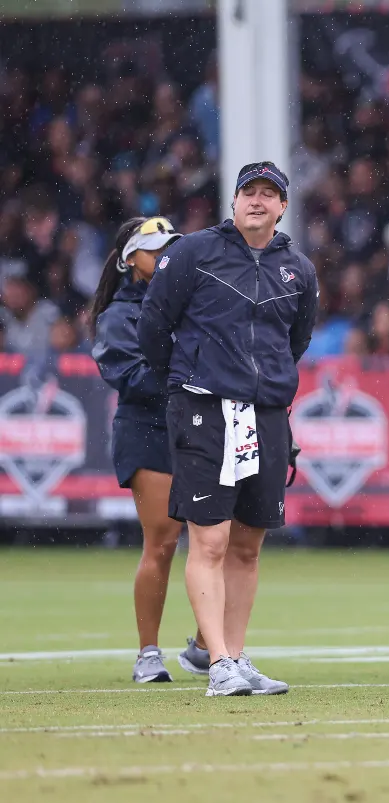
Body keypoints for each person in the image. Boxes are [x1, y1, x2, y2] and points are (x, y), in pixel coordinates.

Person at [139, 161, 318, 696]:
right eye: (249, 192)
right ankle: (217, 663)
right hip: (205, 408)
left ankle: (235, 658)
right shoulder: (193, 252)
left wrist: (264, 384)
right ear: (234, 200)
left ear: (283, 206)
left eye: (269, 194)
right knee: (210, 539)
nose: (258, 201)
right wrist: (188, 380)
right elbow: (154, 327)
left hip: (266, 415)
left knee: (248, 545)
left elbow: (296, 341)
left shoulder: (299, 270)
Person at [89, 216, 210, 683]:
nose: (165, 255)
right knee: (161, 541)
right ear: (128, 259)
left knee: (218, 538)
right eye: (154, 248)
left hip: (199, 425)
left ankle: (206, 646)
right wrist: (188, 372)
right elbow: (130, 377)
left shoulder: (193, 303)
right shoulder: (118, 316)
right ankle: (148, 654)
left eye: (170, 247)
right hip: (150, 429)